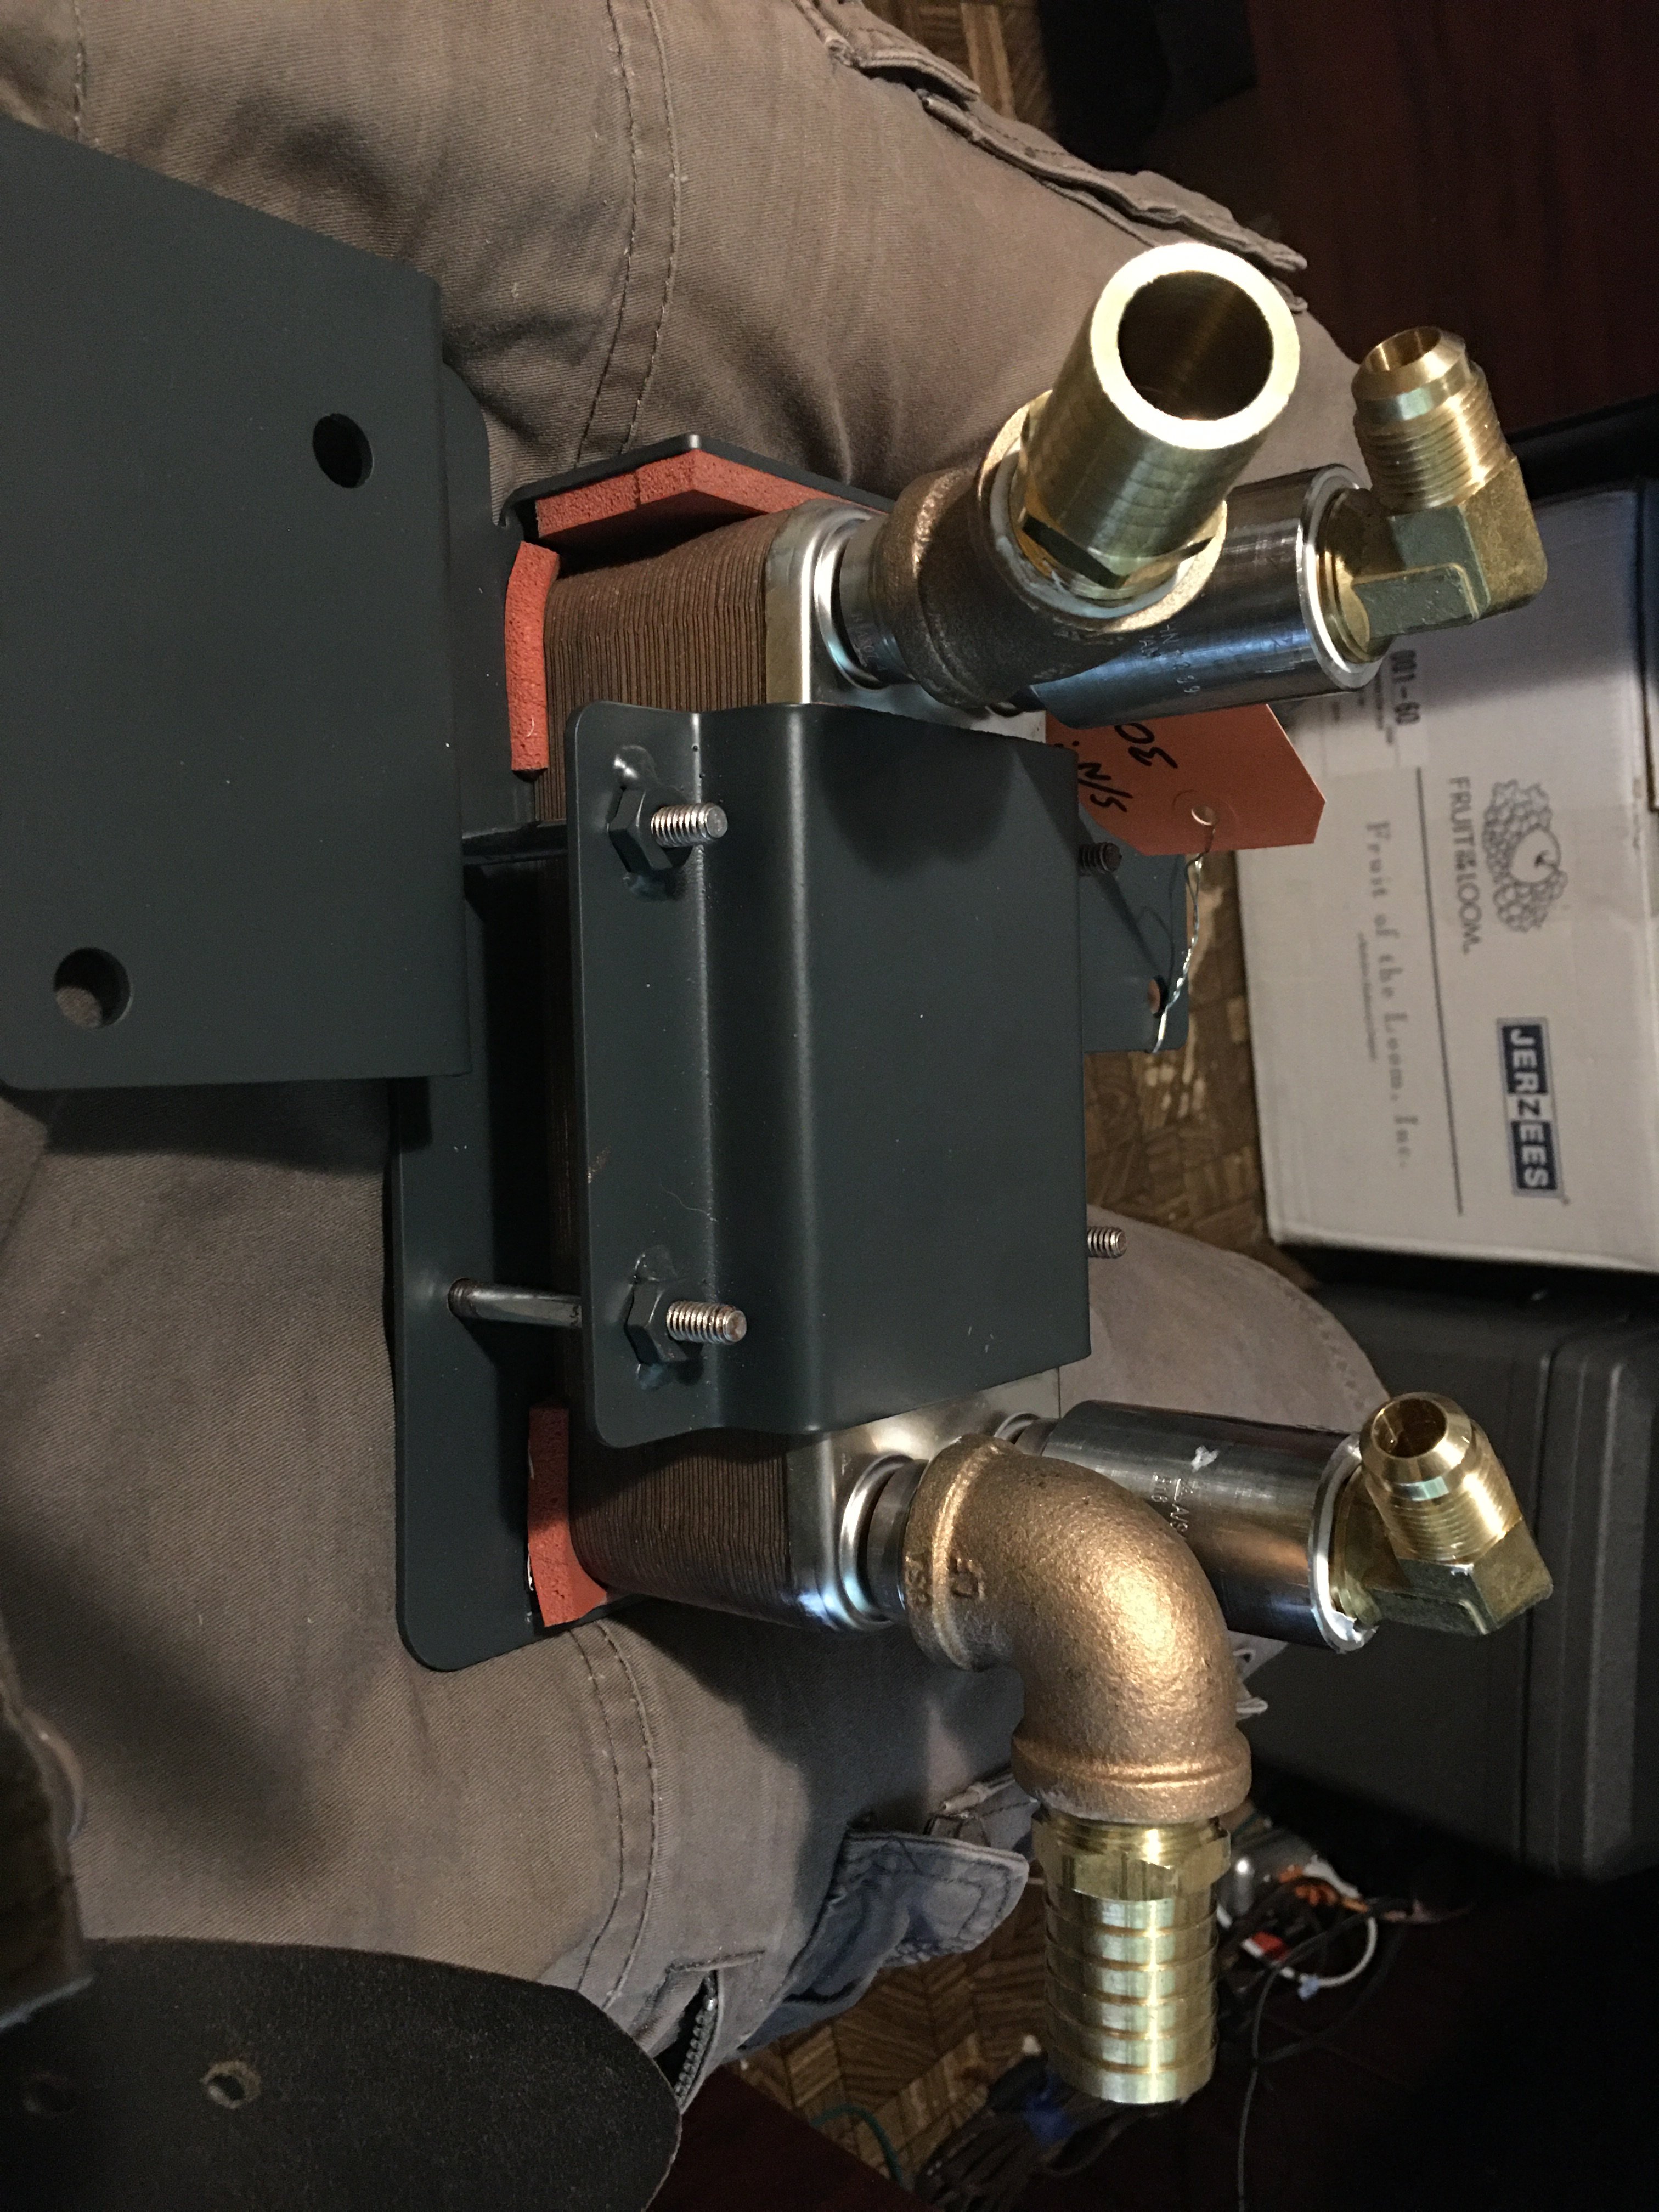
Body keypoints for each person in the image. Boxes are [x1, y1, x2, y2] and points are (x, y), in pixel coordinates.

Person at [0, 0, 1380, 2097]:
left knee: (1295, 462)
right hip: (202, 1712)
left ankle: (1002, 605)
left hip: (171, 425)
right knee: (1310, 1434)